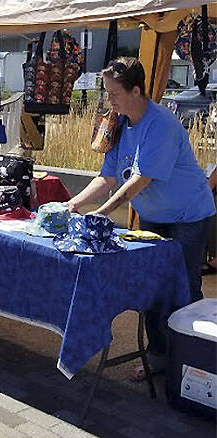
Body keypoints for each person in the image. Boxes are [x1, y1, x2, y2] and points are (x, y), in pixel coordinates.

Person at [67, 57, 215, 381]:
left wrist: (102, 213)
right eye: (106, 93)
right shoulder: (117, 123)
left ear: (136, 91)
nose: (109, 101)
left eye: (114, 94)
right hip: (153, 218)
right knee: (152, 286)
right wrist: (72, 204)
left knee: (183, 288)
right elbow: (107, 177)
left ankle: (188, 362)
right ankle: (159, 354)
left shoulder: (161, 124)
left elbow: (139, 181)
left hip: (188, 216)